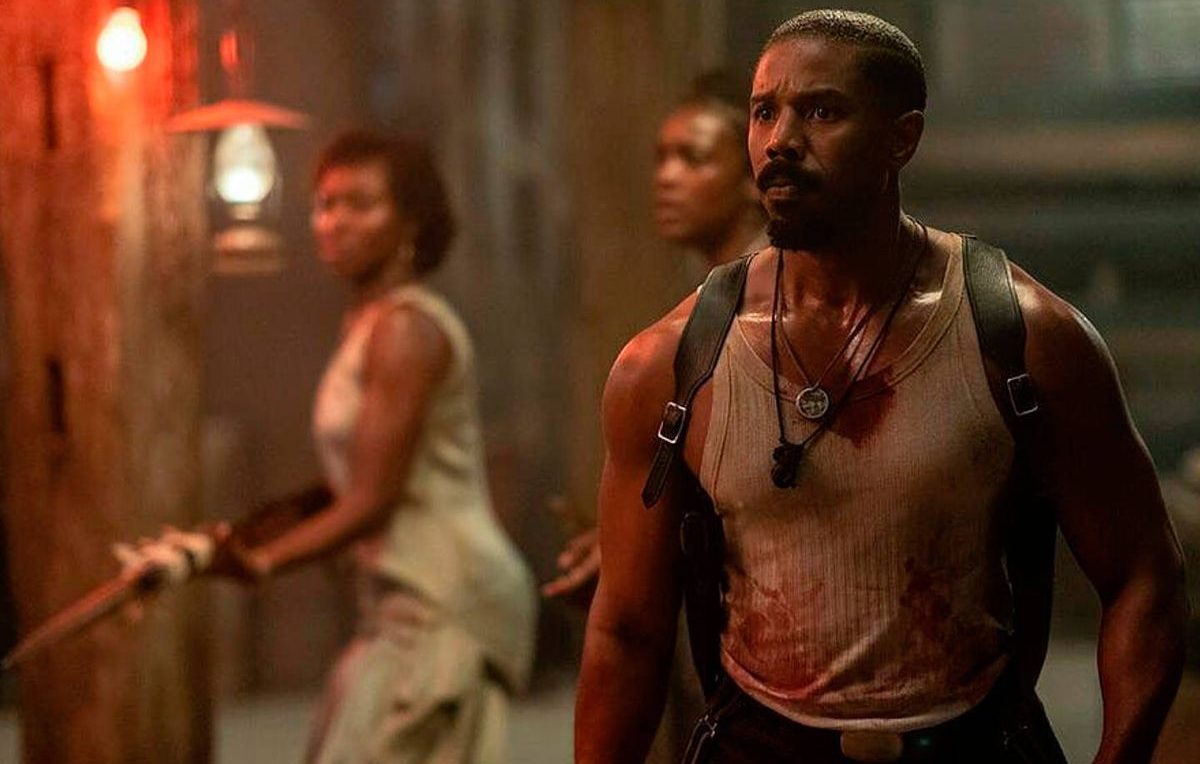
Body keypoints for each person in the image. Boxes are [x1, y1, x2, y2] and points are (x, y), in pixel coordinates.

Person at [575, 10, 1187, 764]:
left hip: (973, 742)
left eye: (821, 112)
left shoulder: (1023, 336)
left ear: (903, 138)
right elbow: (627, 632)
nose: (780, 140)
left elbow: (1144, 578)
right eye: (764, 112)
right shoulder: (671, 362)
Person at [210, 130, 537, 764]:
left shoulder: (406, 330)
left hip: (445, 598)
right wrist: (242, 535)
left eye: (359, 204)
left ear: (409, 221)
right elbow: (355, 478)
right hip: (397, 602)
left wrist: (264, 561)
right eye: (324, 204)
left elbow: (371, 499)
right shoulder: (367, 323)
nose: (334, 221)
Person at [543, 70, 767, 763]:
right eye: (661, 158)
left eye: (693, 158)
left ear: (752, 177)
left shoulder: (769, 302)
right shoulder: (704, 303)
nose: (667, 178)